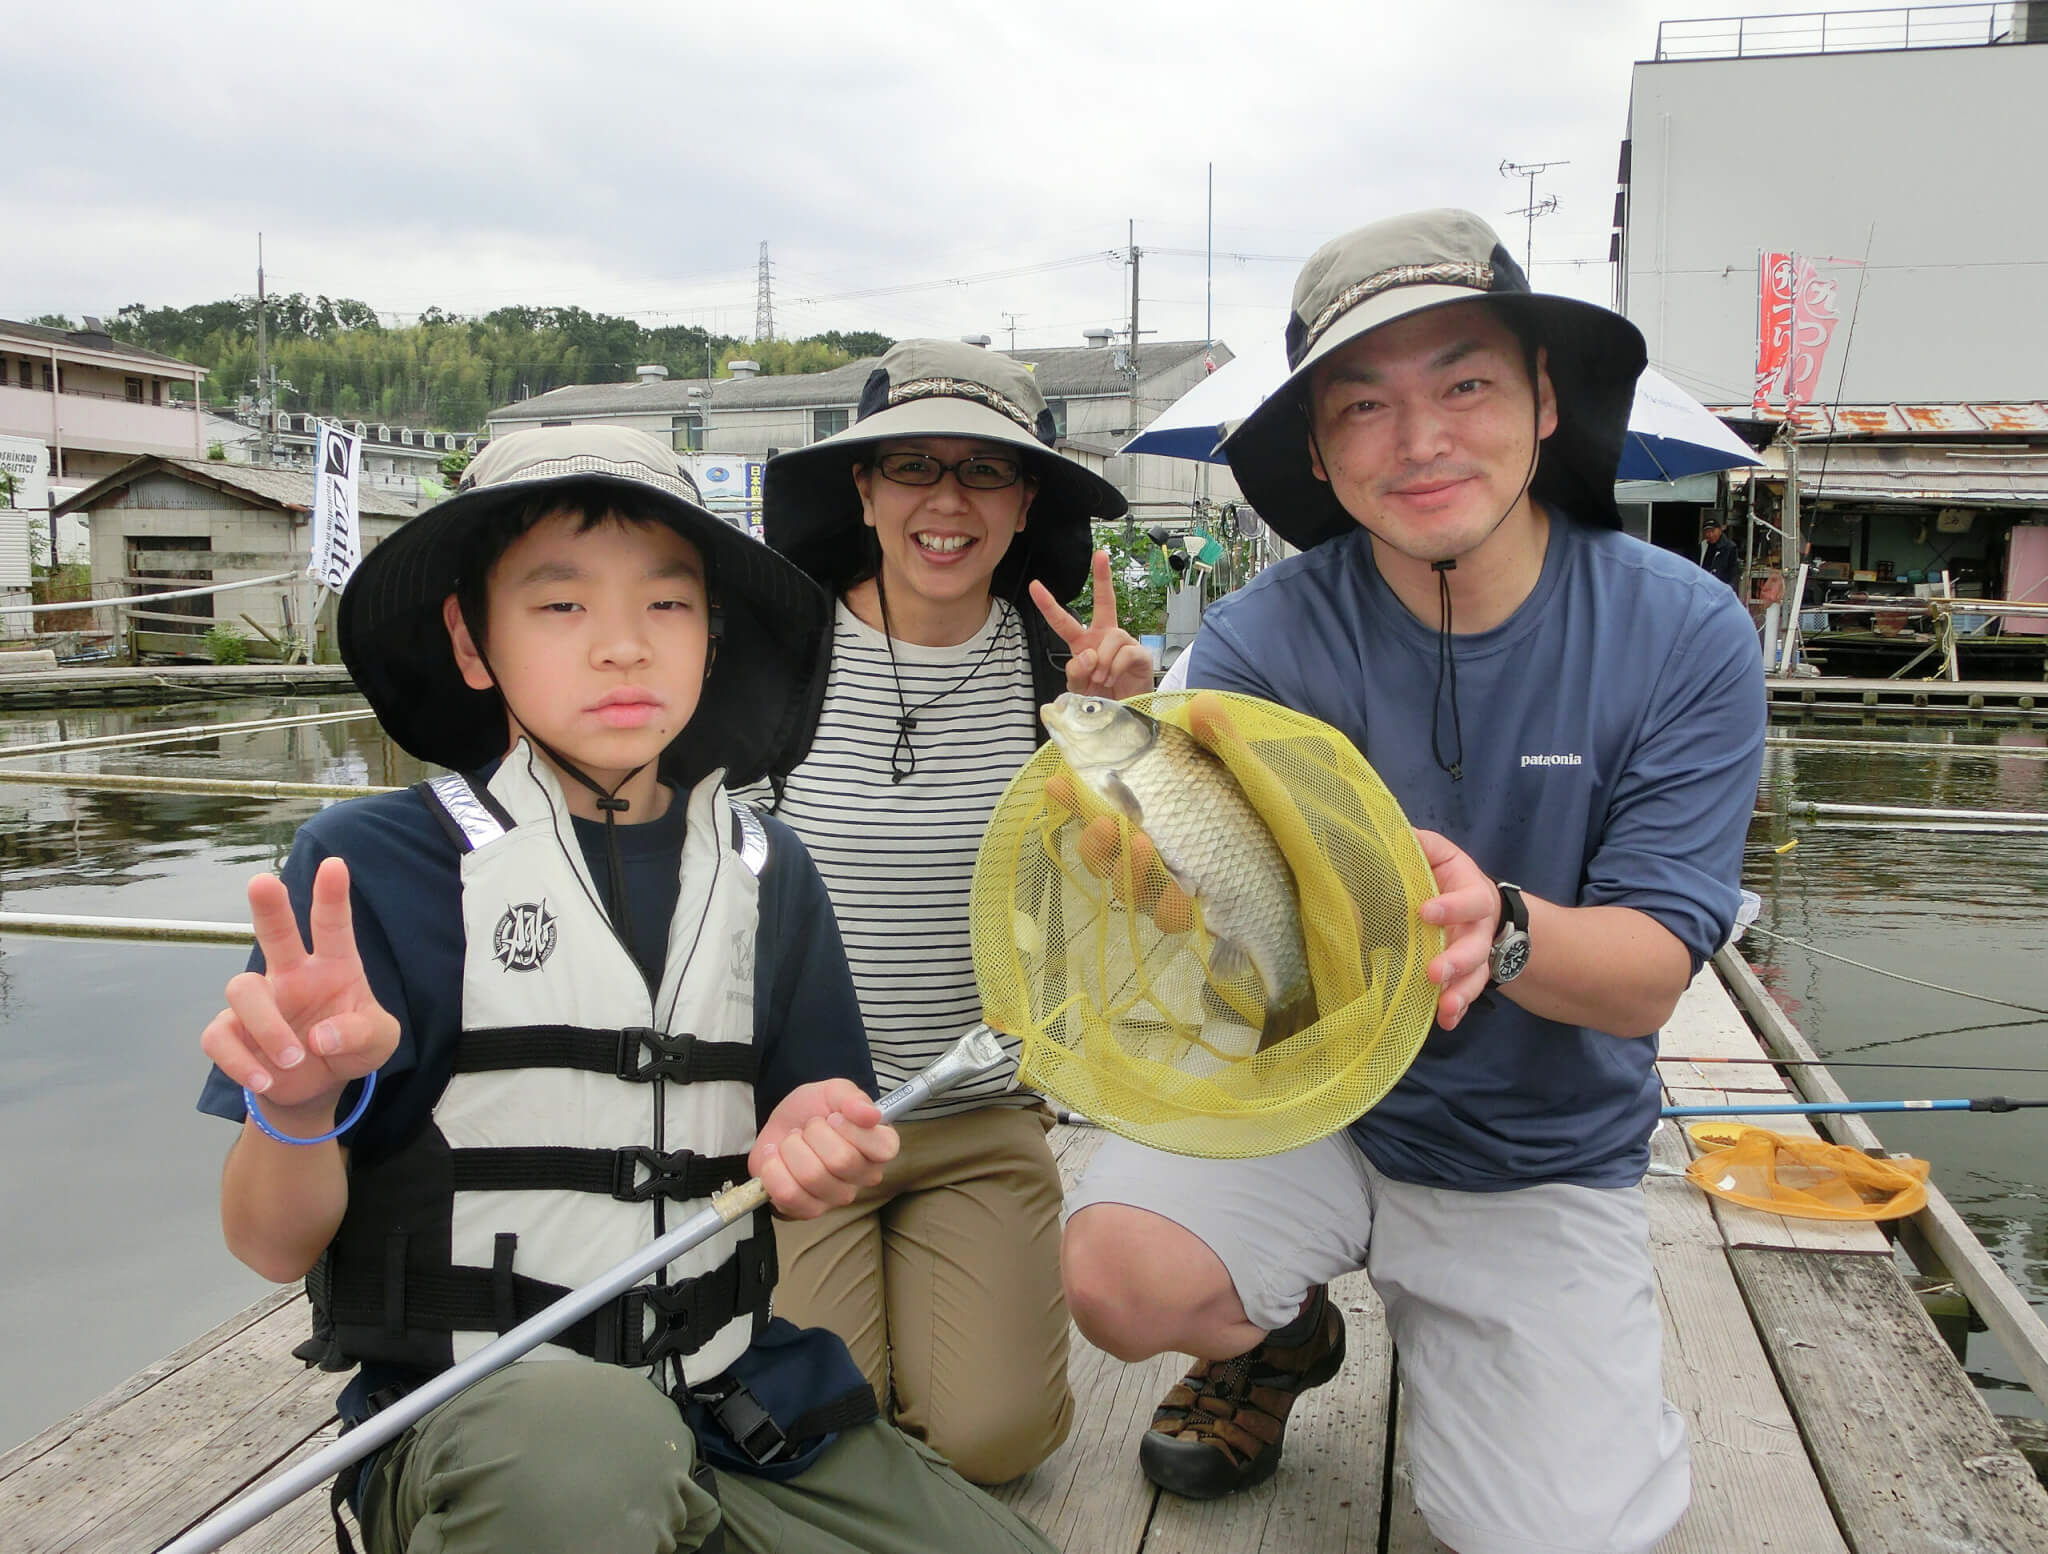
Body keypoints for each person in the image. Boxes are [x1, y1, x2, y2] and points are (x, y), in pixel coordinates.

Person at [194, 425, 1060, 1554]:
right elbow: (271, 1244)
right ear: (470, 638)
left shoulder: (767, 868)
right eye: (559, 607)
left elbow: (815, 1143)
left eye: (665, 606)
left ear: (710, 638)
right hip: (482, 1424)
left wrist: (814, 1147)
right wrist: (297, 1110)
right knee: (588, 1458)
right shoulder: (371, 870)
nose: (621, 649)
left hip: (734, 1404)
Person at [1060, 210, 1765, 1554]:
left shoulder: (1685, 634)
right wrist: (1143, 875)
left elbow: (1644, 978)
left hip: (1534, 1147)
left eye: (1466, 382)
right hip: (1309, 1098)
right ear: (1319, 449)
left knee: (1560, 1534)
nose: (1422, 436)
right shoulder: (1262, 635)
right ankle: (1284, 1322)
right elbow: (1218, 913)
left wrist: (1499, 928)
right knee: (1118, 1269)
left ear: (1546, 399)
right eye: (1364, 404)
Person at [753, 339, 1148, 1483]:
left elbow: (1144, 908)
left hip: (977, 1112)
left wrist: (1121, 744)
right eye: (911, 465)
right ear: (862, 490)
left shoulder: (1067, 677)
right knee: (823, 1426)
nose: (945, 500)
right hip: (803, 1119)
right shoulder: (775, 661)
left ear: (1025, 503)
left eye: (983, 472)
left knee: (994, 1440)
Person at [1700, 518, 1741, 590]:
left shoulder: (1730, 547)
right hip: (1705, 587)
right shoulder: (1702, 546)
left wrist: (1730, 587)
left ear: (1720, 530)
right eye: (1707, 532)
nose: (1710, 535)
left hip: (1721, 588)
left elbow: (1734, 572)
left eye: (1713, 531)